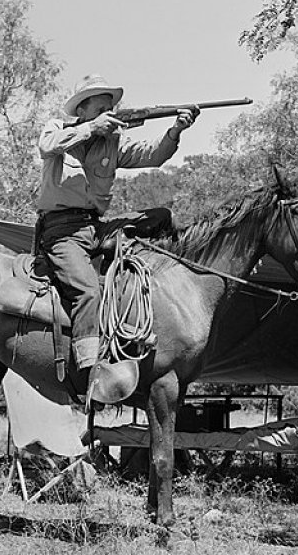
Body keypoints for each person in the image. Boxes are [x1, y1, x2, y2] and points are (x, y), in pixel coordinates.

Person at [35, 74, 198, 405]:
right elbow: (47, 146)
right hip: (61, 231)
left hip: (97, 227)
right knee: (87, 291)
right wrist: (92, 129)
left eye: (112, 106)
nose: (110, 110)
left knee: (160, 217)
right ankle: (91, 373)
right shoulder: (58, 129)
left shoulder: (114, 143)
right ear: (83, 108)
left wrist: (175, 130)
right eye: (102, 105)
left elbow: (153, 155)